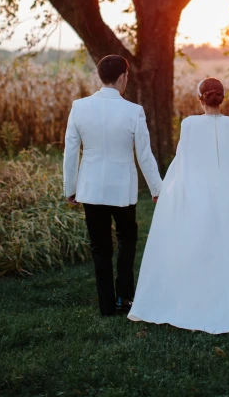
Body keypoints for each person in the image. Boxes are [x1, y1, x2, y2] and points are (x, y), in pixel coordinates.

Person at [128, 77, 229, 334]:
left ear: (200, 98)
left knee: (200, 246)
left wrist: (165, 191)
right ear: (222, 98)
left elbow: (183, 164)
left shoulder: (189, 124)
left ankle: (200, 300)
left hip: (199, 195)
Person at [63, 54, 162, 316]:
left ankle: (106, 304)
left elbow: (70, 151)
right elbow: (144, 154)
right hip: (122, 189)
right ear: (122, 77)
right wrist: (157, 189)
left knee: (100, 246)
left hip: (91, 187)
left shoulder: (79, 107)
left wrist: (70, 188)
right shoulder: (133, 111)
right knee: (127, 238)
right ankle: (125, 298)